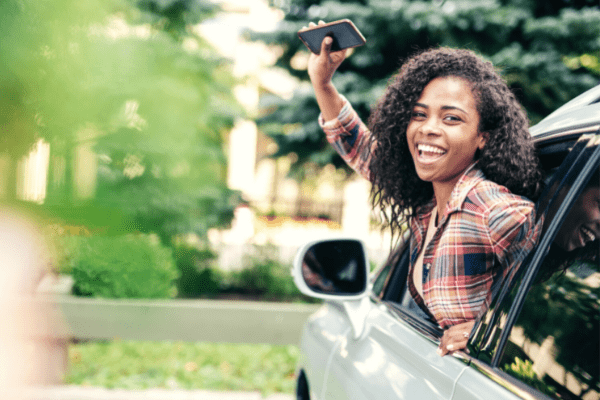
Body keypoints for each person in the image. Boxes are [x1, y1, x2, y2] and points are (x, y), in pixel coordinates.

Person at [301, 21, 542, 356]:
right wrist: (322, 82)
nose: (428, 129)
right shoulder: (431, 203)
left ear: (483, 136)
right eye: (419, 115)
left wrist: (491, 330)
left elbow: (554, 302)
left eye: (451, 118)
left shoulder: (493, 209)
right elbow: (365, 153)